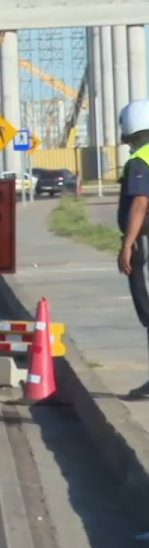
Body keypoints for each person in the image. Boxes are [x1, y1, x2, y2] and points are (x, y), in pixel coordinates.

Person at [116, 98, 149, 399]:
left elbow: (139, 202)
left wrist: (127, 245)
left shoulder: (140, 159)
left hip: (145, 239)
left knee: (148, 310)